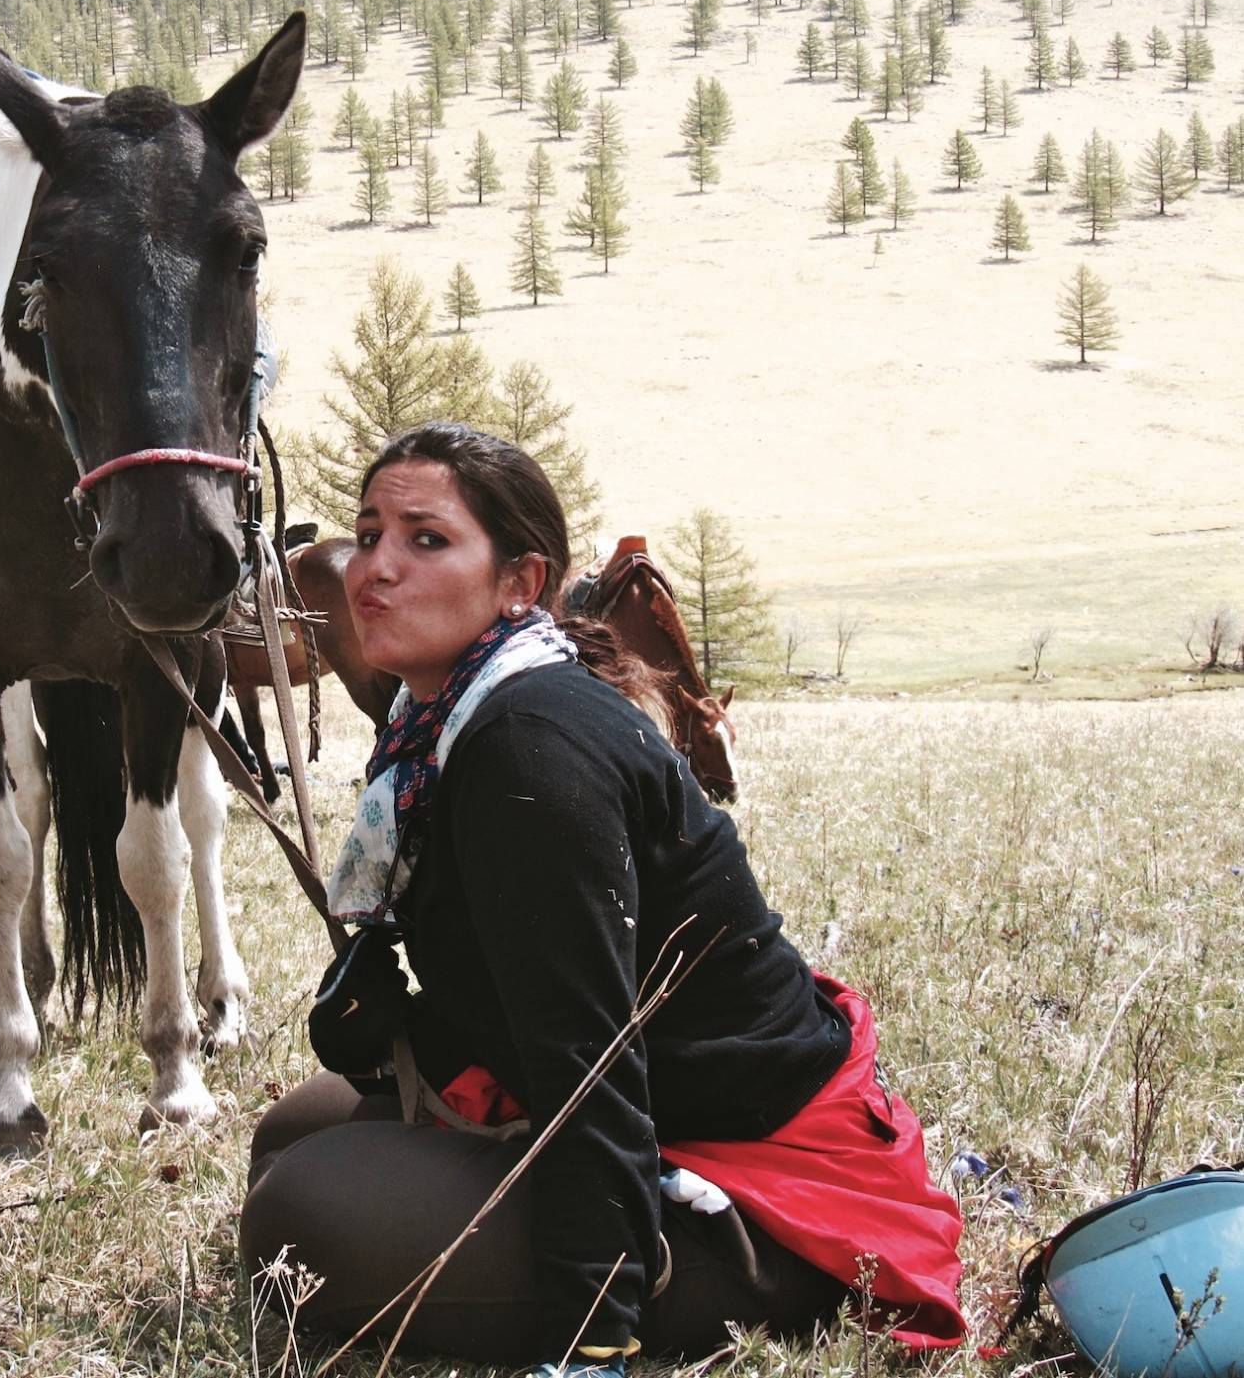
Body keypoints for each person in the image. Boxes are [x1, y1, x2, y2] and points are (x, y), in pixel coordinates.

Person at [238, 424, 965, 1374]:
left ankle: (681, 1271)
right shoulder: (442, 724)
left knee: (299, 1219)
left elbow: (592, 1060)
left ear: (519, 583)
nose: (374, 568)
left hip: (748, 1173)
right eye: (369, 532)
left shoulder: (526, 751)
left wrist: (593, 1336)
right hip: (634, 1104)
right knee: (291, 1134)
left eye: (426, 539)